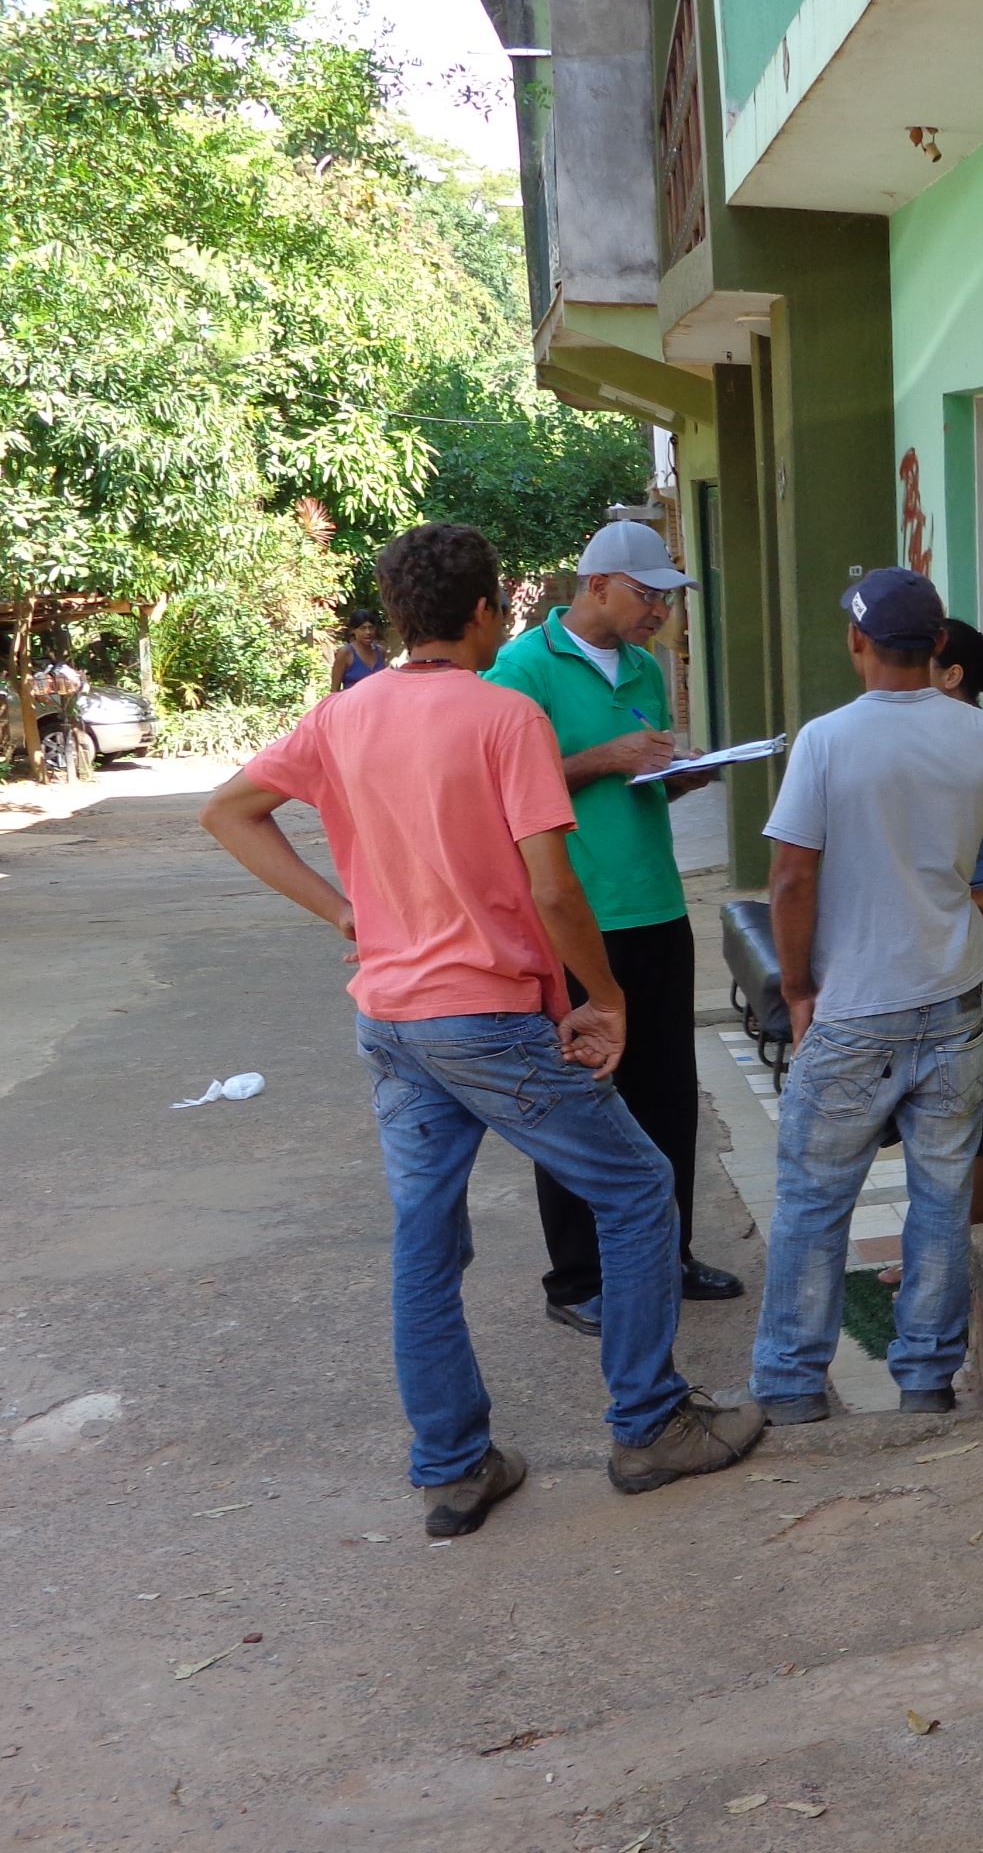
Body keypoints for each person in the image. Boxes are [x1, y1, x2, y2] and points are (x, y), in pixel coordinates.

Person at [198, 522, 762, 1538]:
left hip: (392, 1017)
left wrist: (344, 914)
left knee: (424, 1239)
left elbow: (230, 811)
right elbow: (551, 885)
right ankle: (649, 1424)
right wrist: (604, 994)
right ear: (482, 612)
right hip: (489, 1016)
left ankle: (454, 1469)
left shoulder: (343, 716)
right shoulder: (503, 718)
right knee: (637, 1190)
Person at [742, 570, 983, 1420]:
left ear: (857, 643)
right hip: (953, 1001)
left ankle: (794, 1388)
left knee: (813, 1199)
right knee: (941, 1199)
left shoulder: (827, 740)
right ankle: (925, 1383)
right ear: (938, 645)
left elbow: (792, 877)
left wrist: (795, 989)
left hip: (852, 1006)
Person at [486, 519, 742, 1338]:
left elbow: (639, 787)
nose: (659, 615)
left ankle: (669, 1253)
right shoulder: (521, 669)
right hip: (576, 914)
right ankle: (577, 1278)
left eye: (668, 600)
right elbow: (496, 788)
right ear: (595, 585)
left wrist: (679, 776)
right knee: (578, 1097)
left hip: (656, 903)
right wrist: (603, 758)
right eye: (647, 595)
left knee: (668, 1092)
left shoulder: (642, 668)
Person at [873, 619, 983, 1289]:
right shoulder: (978, 743)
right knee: (946, 1105)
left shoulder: (978, 748)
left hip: (971, 951)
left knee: (975, 1107)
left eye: (921, 665)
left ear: (952, 676)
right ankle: (944, 1252)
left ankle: (953, 1258)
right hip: (956, 945)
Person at [330, 615, 389, 692]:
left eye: (371, 627)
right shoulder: (345, 653)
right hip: (352, 702)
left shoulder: (380, 651)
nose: (368, 632)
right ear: (353, 630)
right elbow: (335, 689)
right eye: (362, 628)